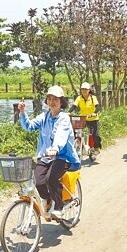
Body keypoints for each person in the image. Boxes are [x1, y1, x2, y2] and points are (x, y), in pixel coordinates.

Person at [18, 85, 80, 218]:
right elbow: (29, 126)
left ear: (61, 102)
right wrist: (23, 112)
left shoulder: (63, 118)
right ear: (46, 101)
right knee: (38, 181)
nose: (52, 102)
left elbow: (61, 135)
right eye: (49, 99)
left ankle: (59, 206)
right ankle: (48, 200)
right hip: (45, 157)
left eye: (55, 99)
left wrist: (55, 149)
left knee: (50, 178)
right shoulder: (44, 116)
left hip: (63, 157)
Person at [69, 82, 102, 154]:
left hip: (93, 119)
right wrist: (69, 112)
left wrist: (94, 113)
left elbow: (98, 107)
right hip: (82, 119)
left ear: (89, 90)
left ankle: (96, 148)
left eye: (86, 89)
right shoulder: (79, 98)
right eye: (82, 89)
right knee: (75, 132)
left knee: (95, 135)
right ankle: (78, 145)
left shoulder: (93, 98)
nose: (84, 91)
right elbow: (74, 106)